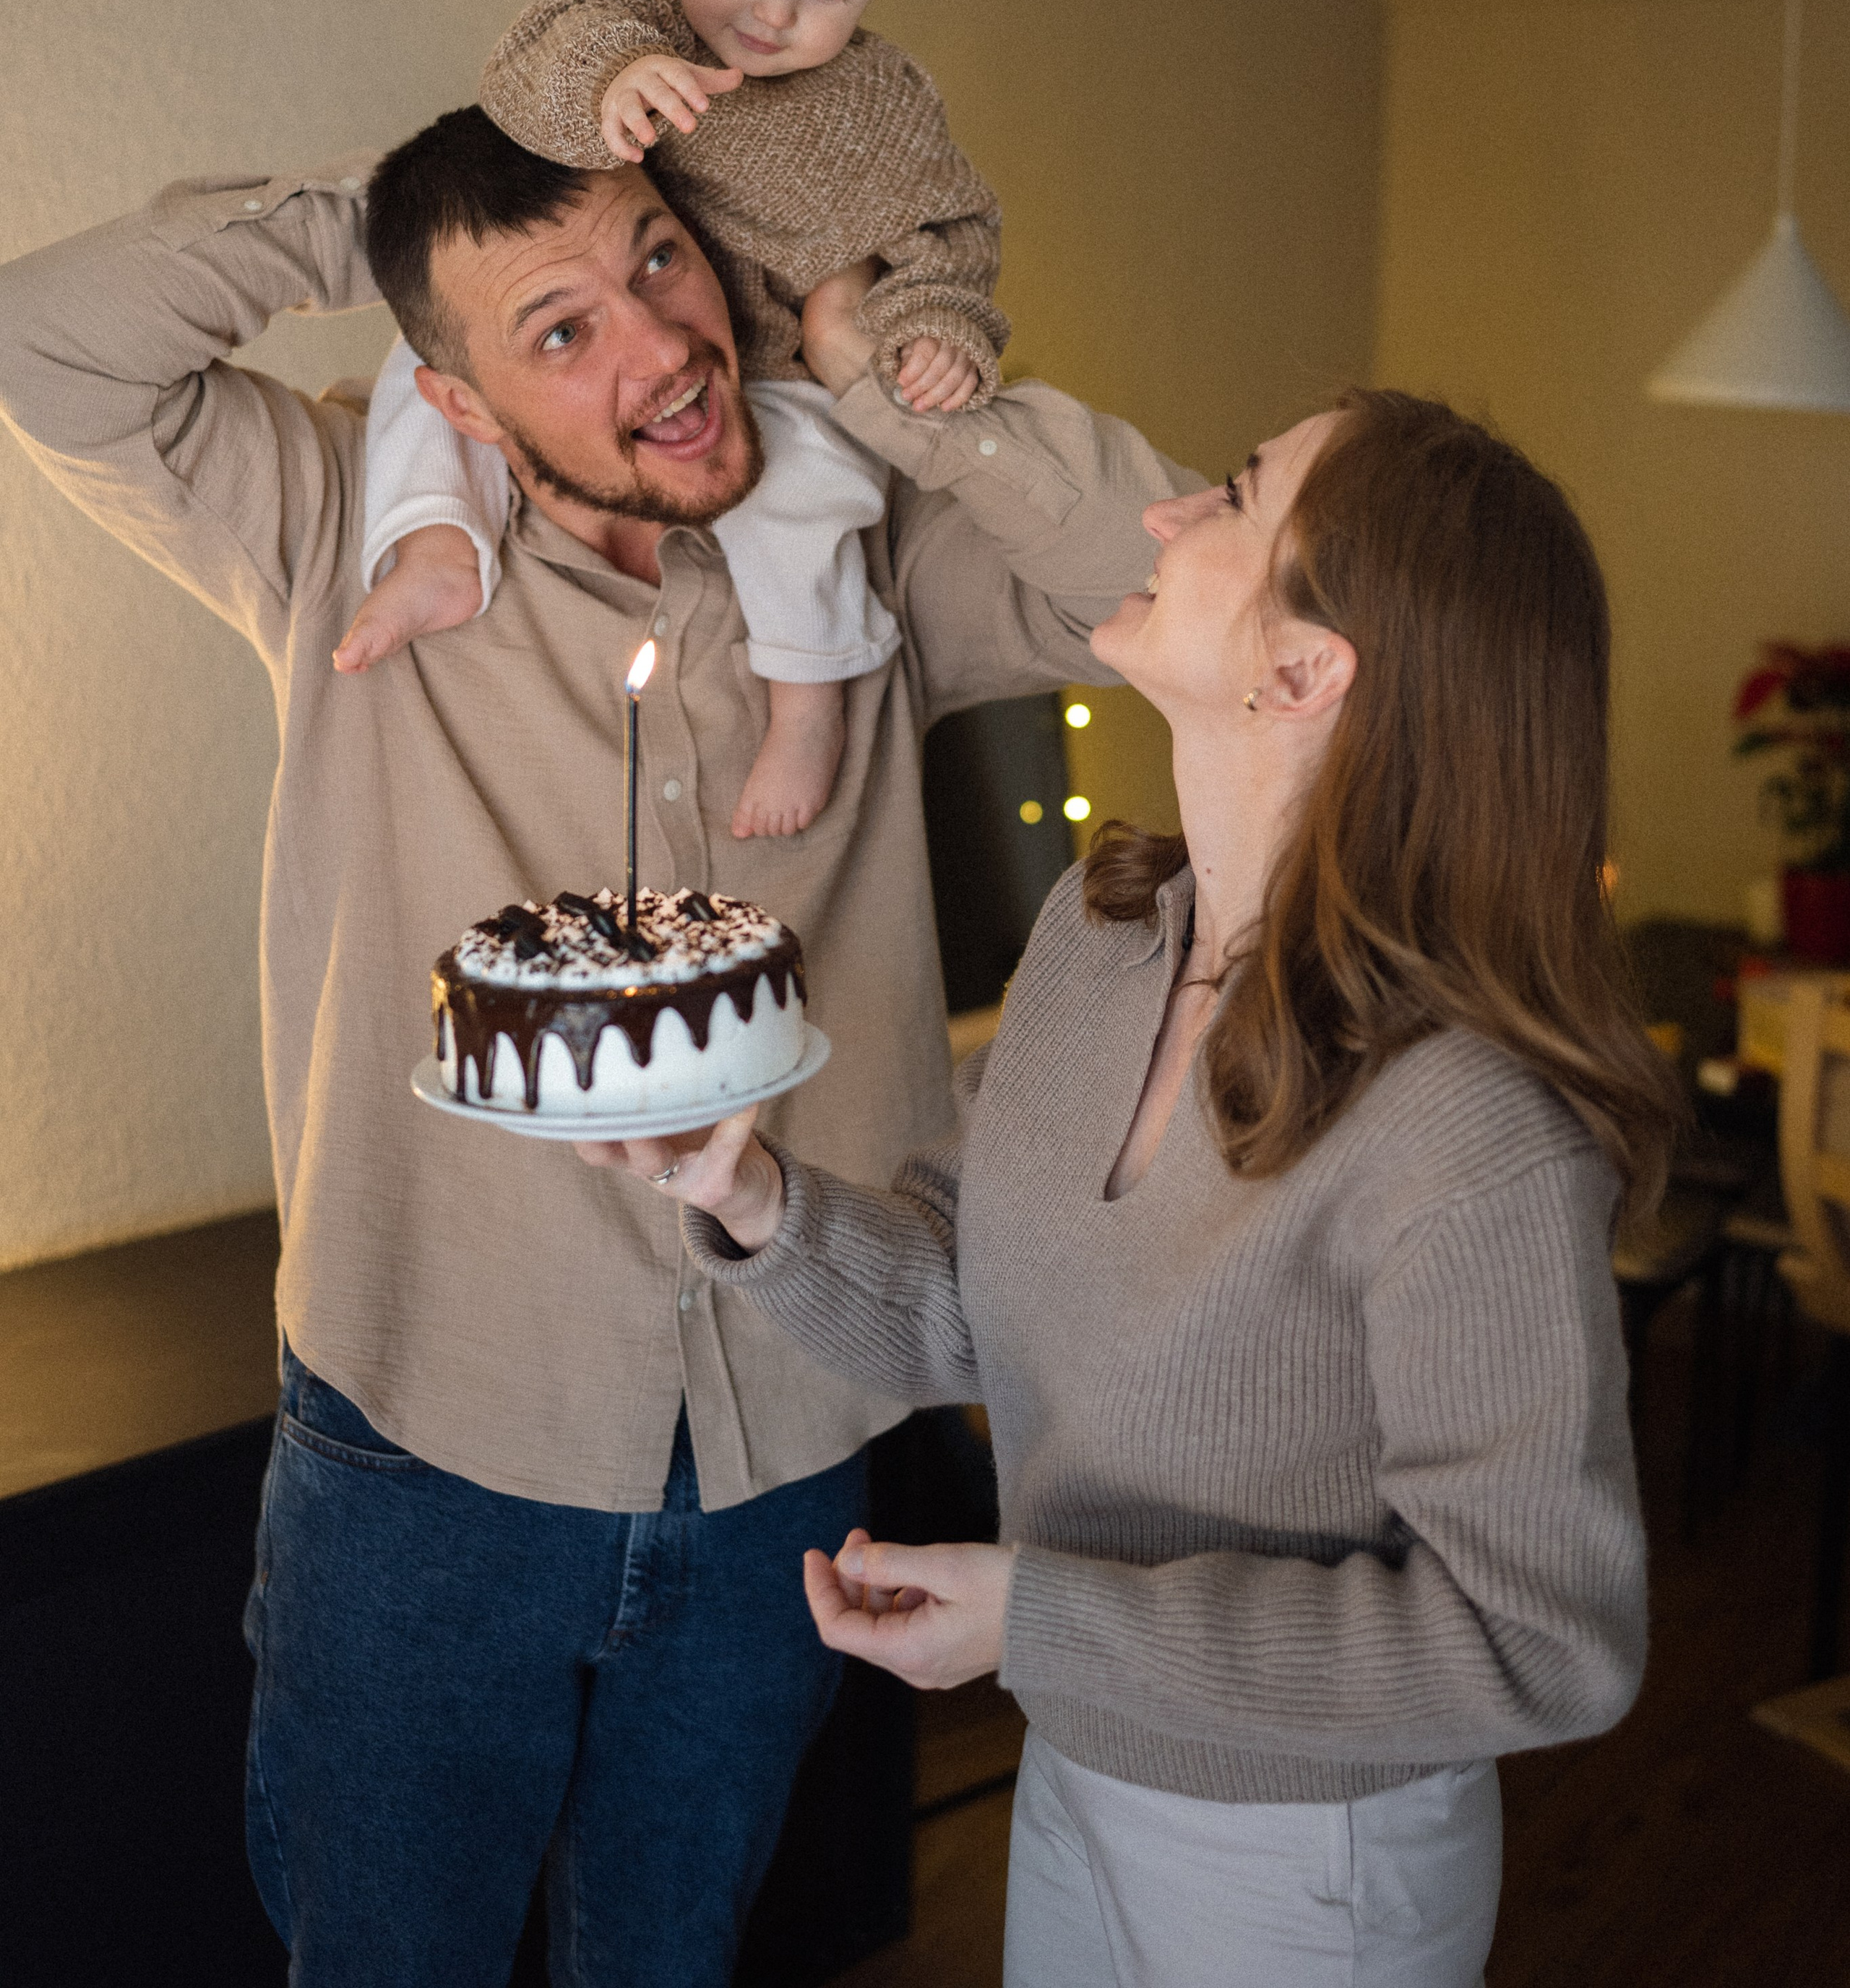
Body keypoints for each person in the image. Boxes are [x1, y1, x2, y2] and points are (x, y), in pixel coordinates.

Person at [0, 108, 1189, 1986]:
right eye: (557, 329)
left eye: (658, 259)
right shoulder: (340, 527)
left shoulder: (864, 550)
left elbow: (1173, 572)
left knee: (671, 1962)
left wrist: (884, 366)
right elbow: (42, 341)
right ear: (455, 401)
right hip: (425, 1462)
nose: (660, 346)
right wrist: (397, 216)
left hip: (787, 1454)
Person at [586, 389, 1687, 1988]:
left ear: (1302, 672)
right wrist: (748, 1193)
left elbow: (1543, 1644)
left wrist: (1039, 1619)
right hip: (1081, 1767)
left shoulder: (1467, 1129)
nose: (1169, 515)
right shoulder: (1103, 935)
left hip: (1309, 1862)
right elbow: (964, 1301)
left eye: (1233, 497)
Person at [342, 0, 1008, 837]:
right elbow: (525, 71)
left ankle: (808, 697)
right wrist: (610, 83)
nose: (774, 14)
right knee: (431, 352)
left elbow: (951, 229)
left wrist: (934, 323)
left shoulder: (881, 108)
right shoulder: (630, 8)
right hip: (612, 306)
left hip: (773, 364)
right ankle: (437, 543)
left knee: (803, 495)